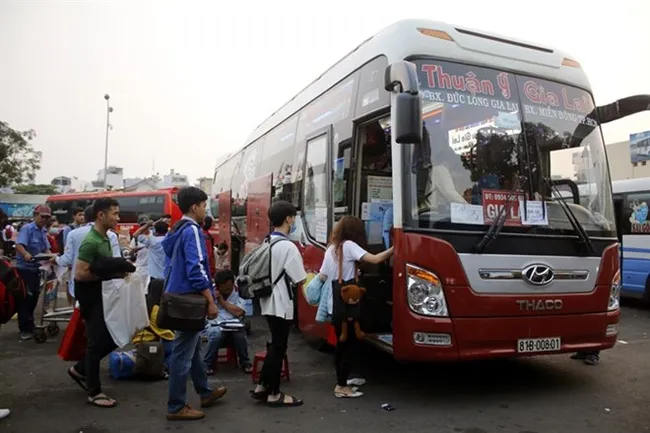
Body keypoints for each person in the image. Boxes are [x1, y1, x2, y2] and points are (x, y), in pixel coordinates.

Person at [163, 186, 227, 421]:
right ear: (194, 207)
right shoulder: (192, 230)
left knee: (191, 348)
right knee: (182, 353)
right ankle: (176, 406)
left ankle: (205, 391)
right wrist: (210, 300)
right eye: (203, 206)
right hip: (190, 300)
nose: (205, 210)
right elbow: (197, 268)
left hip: (177, 298)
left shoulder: (177, 228)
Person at [319, 215, 393, 398]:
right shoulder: (349, 246)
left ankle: (342, 381)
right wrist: (394, 248)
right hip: (349, 304)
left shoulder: (331, 249)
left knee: (341, 343)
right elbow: (375, 259)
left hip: (335, 302)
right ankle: (341, 387)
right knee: (349, 345)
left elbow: (324, 275)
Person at [73, 198, 131, 408]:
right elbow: (80, 275)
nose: (118, 217)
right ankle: (94, 391)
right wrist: (109, 275)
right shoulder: (91, 242)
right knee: (96, 343)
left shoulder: (106, 238)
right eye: (114, 214)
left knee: (116, 336)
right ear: (101, 215)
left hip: (104, 296)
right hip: (91, 297)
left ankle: (80, 369)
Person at [251, 201, 306, 407]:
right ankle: (274, 393)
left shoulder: (267, 241)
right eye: (293, 217)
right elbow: (299, 278)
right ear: (288, 219)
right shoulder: (287, 246)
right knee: (279, 347)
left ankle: (262, 386)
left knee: (275, 344)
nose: (294, 220)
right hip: (281, 303)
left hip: (267, 300)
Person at [56, 205, 121, 307]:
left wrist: (56, 259)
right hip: (103, 285)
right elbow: (116, 261)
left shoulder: (73, 234)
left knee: (79, 317)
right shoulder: (110, 235)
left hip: (79, 286)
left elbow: (67, 260)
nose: (118, 218)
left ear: (85, 217)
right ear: (100, 215)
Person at [14, 205, 53, 340]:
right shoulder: (28, 229)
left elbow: (46, 248)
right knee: (26, 298)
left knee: (34, 297)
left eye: (47, 217)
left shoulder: (42, 231)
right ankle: (24, 328)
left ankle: (29, 324)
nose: (44, 219)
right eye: (42, 216)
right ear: (35, 215)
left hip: (38, 268)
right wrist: (26, 254)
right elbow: (19, 245)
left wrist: (52, 257)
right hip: (25, 269)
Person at [203, 270, 252, 375]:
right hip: (215, 323)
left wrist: (222, 302)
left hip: (233, 323)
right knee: (216, 334)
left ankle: (245, 363)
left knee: (240, 334)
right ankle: (207, 364)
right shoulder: (209, 292)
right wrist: (211, 300)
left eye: (229, 288)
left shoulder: (239, 291)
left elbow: (239, 312)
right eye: (224, 288)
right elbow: (206, 313)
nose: (227, 291)